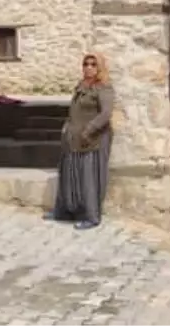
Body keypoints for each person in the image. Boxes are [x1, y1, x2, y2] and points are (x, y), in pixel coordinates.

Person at [45, 52, 115, 230]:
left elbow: (106, 114)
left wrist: (89, 129)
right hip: (73, 138)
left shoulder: (103, 88)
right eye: (86, 64)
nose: (89, 67)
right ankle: (66, 211)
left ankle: (92, 217)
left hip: (92, 139)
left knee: (88, 178)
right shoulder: (81, 86)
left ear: (99, 67)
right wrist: (66, 127)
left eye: (93, 64)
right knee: (69, 175)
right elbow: (74, 110)